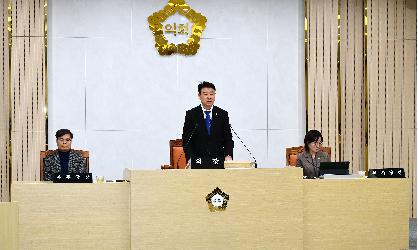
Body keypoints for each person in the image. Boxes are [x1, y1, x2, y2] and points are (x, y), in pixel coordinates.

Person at [182, 81, 234, 168]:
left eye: (212, 94)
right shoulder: (191, 114)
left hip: (218, 161)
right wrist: (190, 158)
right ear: (199, 96)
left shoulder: (222, 114)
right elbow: (187, 140)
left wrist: (228, 155)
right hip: (198, 161)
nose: (209, 97)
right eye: (205, 94)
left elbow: (228, 139)